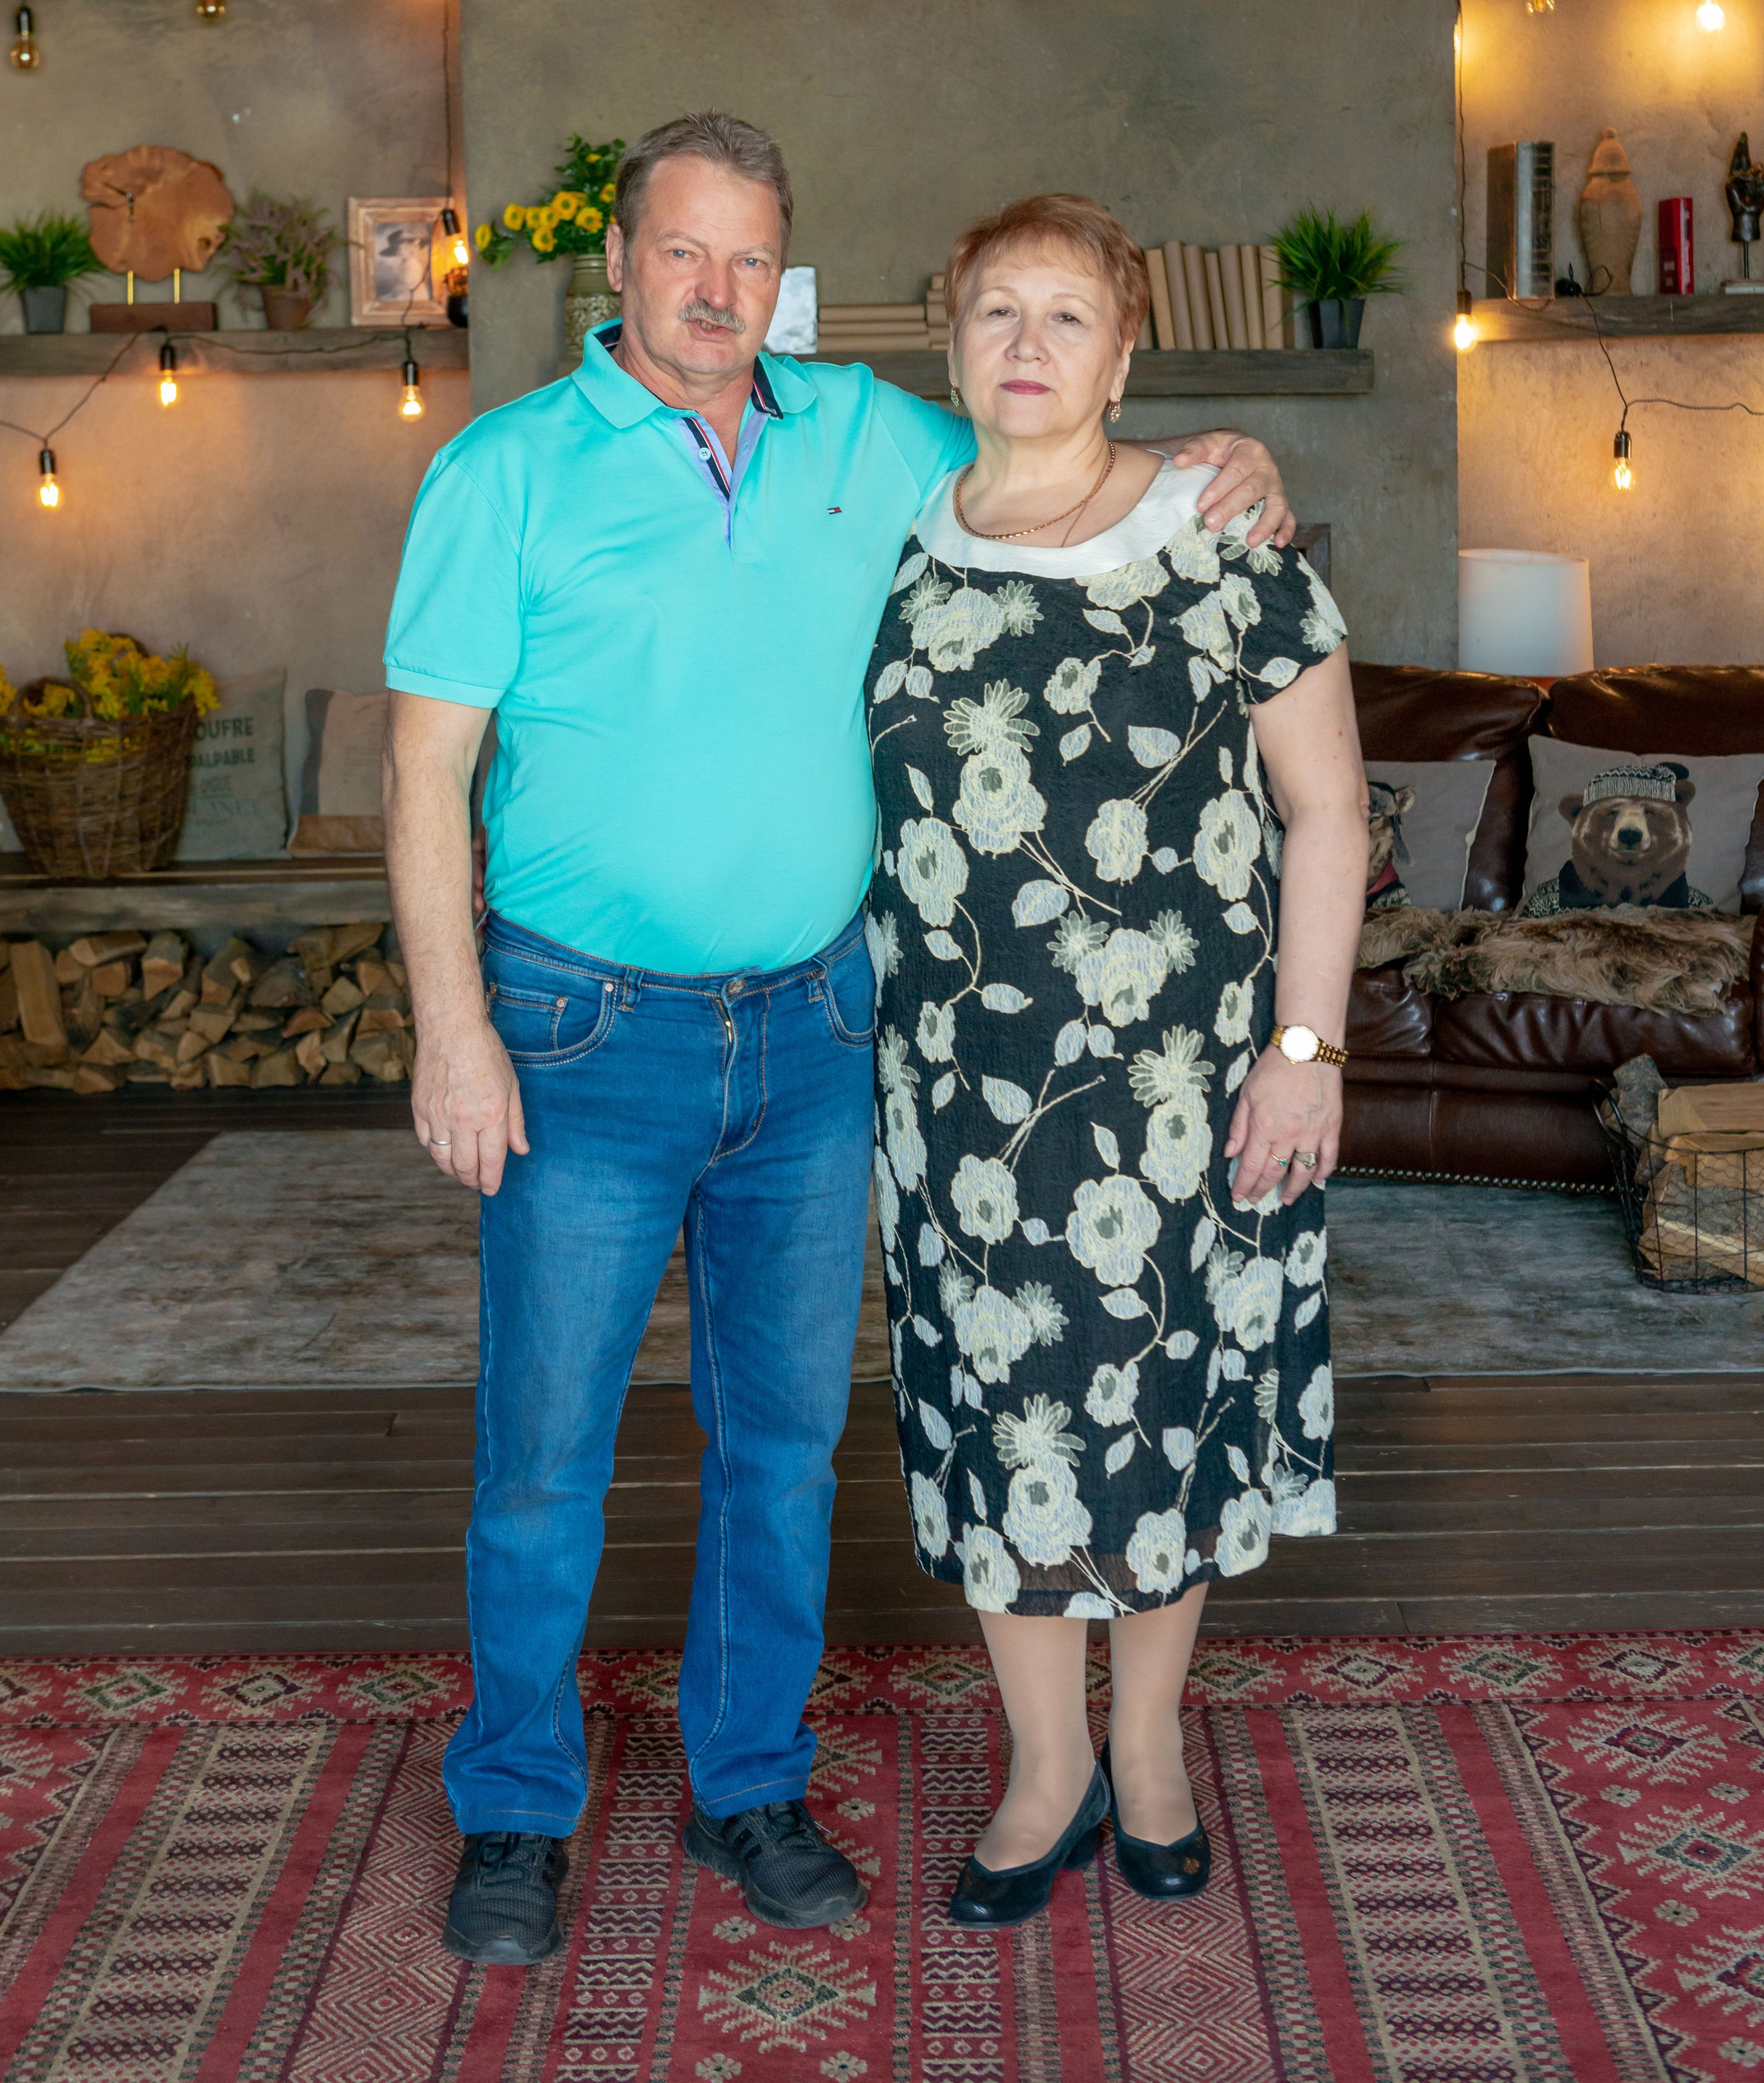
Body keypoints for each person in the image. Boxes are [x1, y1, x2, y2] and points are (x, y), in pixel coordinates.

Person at [380, 113, 1296, 1965]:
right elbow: (423, 773)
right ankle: (515, 1807)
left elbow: (1064, 455)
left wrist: (1232, 457)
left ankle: (748, 1779)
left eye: (750, 259)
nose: (714, 293)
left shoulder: (870, 435)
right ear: (618, 264)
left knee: (781, 1441)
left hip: (815, 1030)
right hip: (578, 1031)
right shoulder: (504, 469)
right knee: (544, 1452)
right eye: (681, 252)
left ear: (781, 275)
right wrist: (451, 1026)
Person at [865, 193, 1366, 1931]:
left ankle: (1146, 1746)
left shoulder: (1221, 534)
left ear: (1123, 354)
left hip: (1187, 1085)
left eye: (1065, 314)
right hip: (958, 1087)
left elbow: (1327, 810)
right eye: (994, 308)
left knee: (1163, 1406)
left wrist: (1303, 1049)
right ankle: (1044, 1762)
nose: (1025, 342)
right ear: (950, 340)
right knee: (998, 1412)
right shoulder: (892, 545)